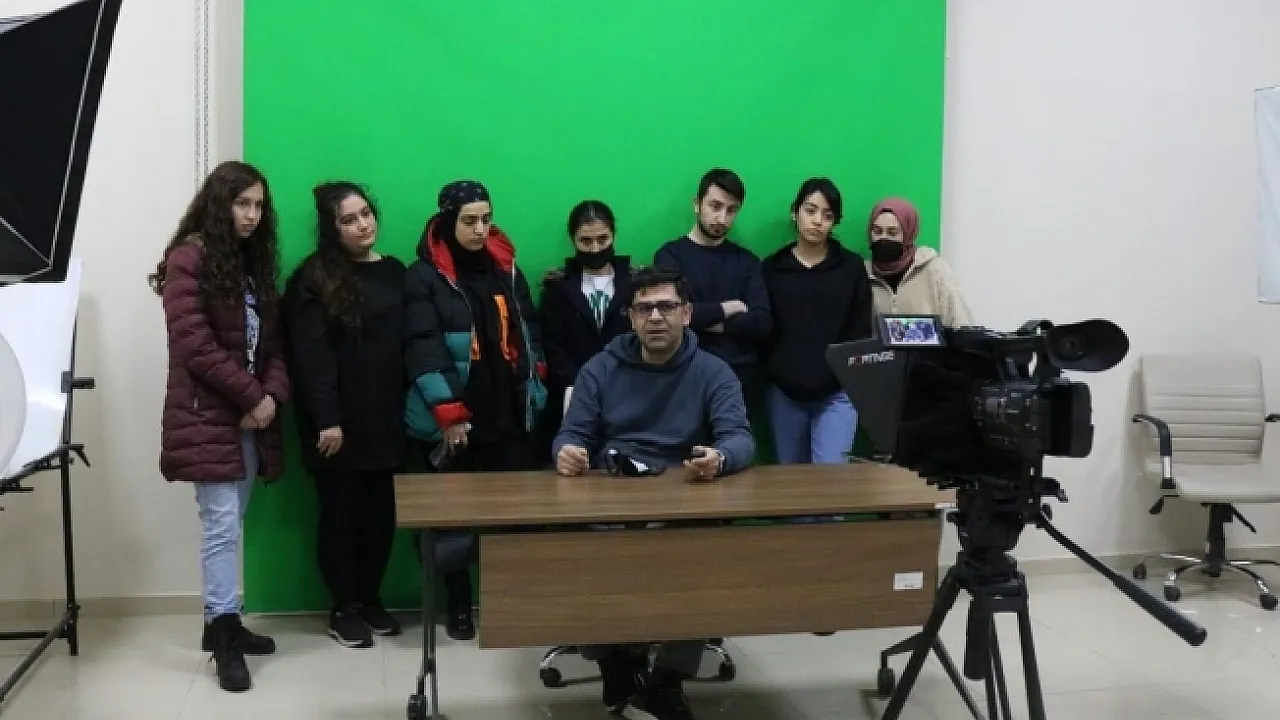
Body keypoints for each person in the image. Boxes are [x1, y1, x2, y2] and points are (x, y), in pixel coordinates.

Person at [553, 265, 754, 720]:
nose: (656, 317)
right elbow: (571, 434)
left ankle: (667, 679)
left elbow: (740, 438)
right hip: (612, 492)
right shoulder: (600, 367)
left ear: (686, 313)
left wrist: (720, 458)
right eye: (644, 309)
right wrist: (567, 452)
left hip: (684, 493)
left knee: (702, 556)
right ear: (630, 317)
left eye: (666, 306)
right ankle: (613, 663)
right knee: (578, 549)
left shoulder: (714, 371)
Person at [148, 160, 290, 693]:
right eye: (241, 203)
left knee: (232, 521)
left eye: (258, 205)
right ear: (218, 204)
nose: (252, 215)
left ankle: (222, 622)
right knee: (221, 526)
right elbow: (194, 345)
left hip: (252, 416)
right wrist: (253, 396)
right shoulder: (188, 259)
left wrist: (270, 397)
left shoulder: (251, 264)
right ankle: (225, 638)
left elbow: (274, 345)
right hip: (209, 417)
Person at [403, 180, 547, 642]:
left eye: (486, 219)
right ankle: (459, 603)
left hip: (508, 413)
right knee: (454, 519)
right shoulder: (424, 276)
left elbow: (528, 331)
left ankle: (511, 602)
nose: (480, 229)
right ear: (449, 221)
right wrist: (450, 414)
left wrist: (536, 385)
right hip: (459, 419)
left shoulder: (506, 267)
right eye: (469, 220)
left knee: (515, 515)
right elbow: (423, 347)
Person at [283, 182, 407, 649]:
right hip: (336, 424)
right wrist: (326, 419)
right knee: (340, 517)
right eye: (349, 220)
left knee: (381, 517)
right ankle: (344, 607)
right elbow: (310, 357)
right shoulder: (314, 277)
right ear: (332, 229)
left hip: (387, 419)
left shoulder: (395, 272)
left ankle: (371, 599)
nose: (362, 225)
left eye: (366, 214)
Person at [762, 178, 873, 464]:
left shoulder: (850, 267)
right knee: (793, 483)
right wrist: (777, 372)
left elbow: (859, 330)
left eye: (827, 215)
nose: (817, 221)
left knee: (831, 482)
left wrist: (841, 377)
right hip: (784, 394)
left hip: (837, 394)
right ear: (795, 212)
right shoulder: (772, 268)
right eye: (810, 211)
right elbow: (764, 329)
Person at [653, 168, 771, 416]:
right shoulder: (670, 255)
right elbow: (671, 315)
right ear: (697, 204)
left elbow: (761, 323)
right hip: (685, 378)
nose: (722, 218)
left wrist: (702, 318)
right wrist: (728, 308)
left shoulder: (747, 261)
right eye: (715, 206)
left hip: (740, 381)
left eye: (731, 210)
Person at [538, 200, 633, 459]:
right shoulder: (557, 287)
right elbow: (552, 344)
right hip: (571, 391)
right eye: (586, 241)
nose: (595, 248)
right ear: (573, 240)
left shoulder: (635, 283)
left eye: (603, 239)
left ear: (613, 234)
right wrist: (582, 384)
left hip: (628, 388)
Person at [865, 197, 973, 328]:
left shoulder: (934, 270)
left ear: (908, 234)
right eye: (877, 231)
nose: (883, 238)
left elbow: (960, 323)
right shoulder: (864, 274)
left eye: (892, 233)